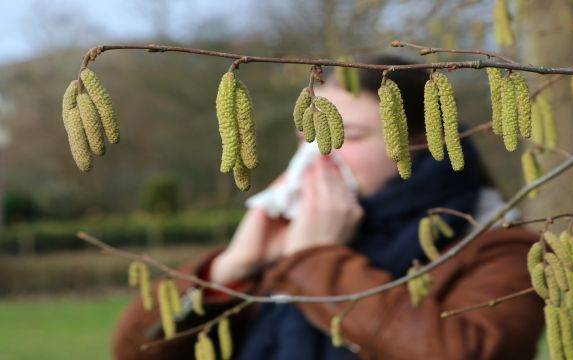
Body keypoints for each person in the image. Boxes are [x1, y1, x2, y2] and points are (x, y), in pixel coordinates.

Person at [112, 55, 544, 360]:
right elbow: (136, 353)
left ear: (423, 143)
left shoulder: (495, 246)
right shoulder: (286, 238)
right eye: (308, 138)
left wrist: (316, 263)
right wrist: (227, 272)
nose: (321, 155)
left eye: (349, 136)